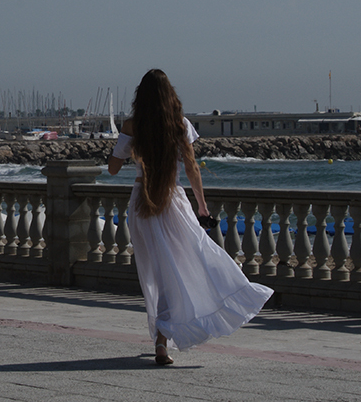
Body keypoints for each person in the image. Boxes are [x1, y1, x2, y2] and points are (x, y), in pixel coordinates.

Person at [108, 69, 272, 366]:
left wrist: (123, 146)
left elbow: (113, 169)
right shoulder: (179, 124)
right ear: (170, 94)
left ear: (140, 97)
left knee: (158, 272)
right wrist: (202, 206)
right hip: (173, 202)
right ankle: (164, 337)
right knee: (189, 261)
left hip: (142, 204)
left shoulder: (133, 125)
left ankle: (163, 337)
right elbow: (192, 167)